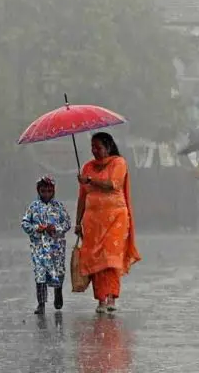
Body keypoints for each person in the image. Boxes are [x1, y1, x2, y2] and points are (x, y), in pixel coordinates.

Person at [75, 132, 141, 313]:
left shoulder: (119, 163)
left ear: (108, 146)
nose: (94, 151)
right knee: (96, 260)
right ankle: (101, 299)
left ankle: (111, 297)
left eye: (98, 147)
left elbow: (113, 184)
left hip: (116, 220)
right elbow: (82, 198)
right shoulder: (87, 167)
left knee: (110, 259)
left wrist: (89, 180)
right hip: (92, 222)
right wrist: (77, 222)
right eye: (92, 147)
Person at [21, 175, 71, 315]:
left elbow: (67, 223)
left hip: (57, 247)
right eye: (43, 191)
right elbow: (25, 223)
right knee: (40, 274)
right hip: (39, 247)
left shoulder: (59, 207)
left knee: (58, 271)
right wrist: (37, 228)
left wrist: (55, 229)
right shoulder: (33, 207)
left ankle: (58, 291)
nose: (46, 194)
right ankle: (41, 303)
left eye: (49, 191)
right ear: (39, 191)